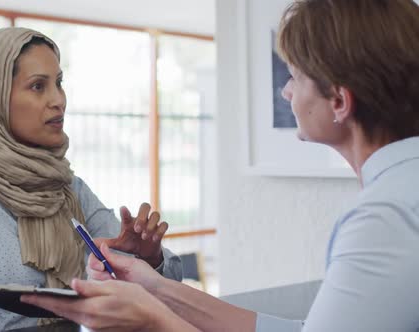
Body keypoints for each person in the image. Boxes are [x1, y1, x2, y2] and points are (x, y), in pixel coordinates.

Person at [21, 0, 419, 331]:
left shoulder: (383, 218)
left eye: (295, 76)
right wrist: (156, 288)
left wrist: (154, 321)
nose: (286, 90)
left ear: (339, 102)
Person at [0, 27, 182, 332]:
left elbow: (167, 291)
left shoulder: (68, 189)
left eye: (59, 83)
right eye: (38, 86)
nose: (58, 100)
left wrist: (148, 258)